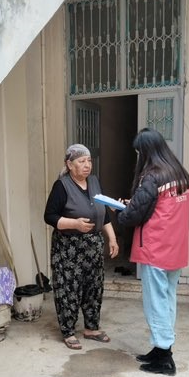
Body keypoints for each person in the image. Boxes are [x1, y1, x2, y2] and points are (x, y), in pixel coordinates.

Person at [111, 128, 189, 376]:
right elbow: (155, 207)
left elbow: (134, 216)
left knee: (155, 301)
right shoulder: (179, 174)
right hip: (175, 248)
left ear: (146, 151)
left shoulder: (152, 177)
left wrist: (121, 211)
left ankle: (164, 358)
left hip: (155, 248)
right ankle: (160, 349)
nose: (138, 156)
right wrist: (134, 205)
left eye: (139, 152)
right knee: (167, 298)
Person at [42, 142, 119, 351]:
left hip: (93, 246)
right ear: (69, 164)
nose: (87, 165)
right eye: (81, 161)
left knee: (94, 287)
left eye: (89, 161)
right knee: (69, 288)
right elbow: (49, 216)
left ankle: (91, 328)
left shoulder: (94, 181)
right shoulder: (62, 186)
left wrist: (112, 239)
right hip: (69, 248)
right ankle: (68, 331)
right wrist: (74, 224)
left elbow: (103, 213)